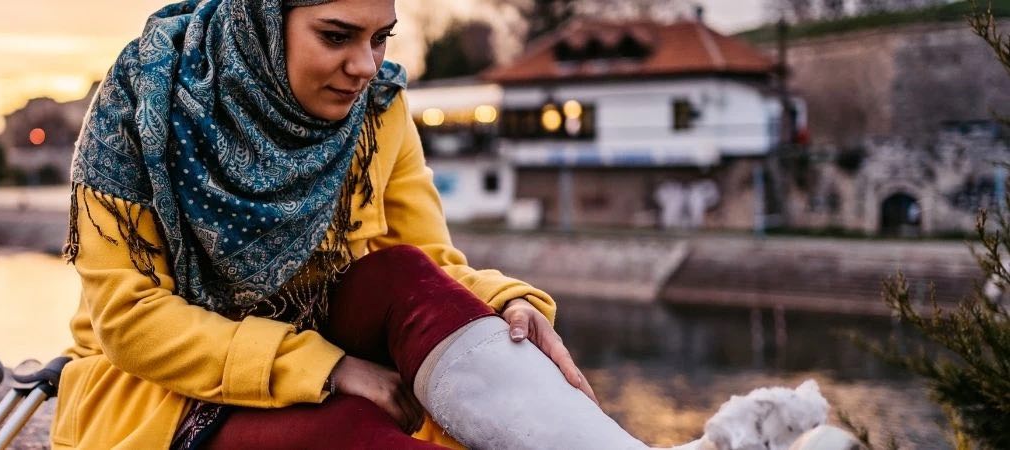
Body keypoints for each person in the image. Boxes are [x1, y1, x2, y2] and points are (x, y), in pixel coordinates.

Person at [49, 0, 849, 448]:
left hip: (327, 330)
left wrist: (505, 304)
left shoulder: (376, 111)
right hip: (161, 393)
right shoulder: (143, 112)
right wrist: (327, 371)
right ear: (260, 22)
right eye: (337, 37)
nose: (366, 65)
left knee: (400, 277)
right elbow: (129, 320)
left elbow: (425, 260)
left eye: (379, 38)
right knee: (349, 430)